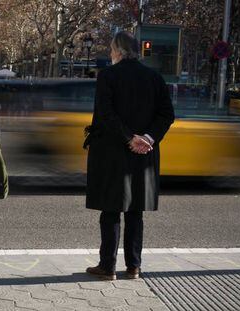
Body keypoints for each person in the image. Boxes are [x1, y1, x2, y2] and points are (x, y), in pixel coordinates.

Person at [85, 31, 174, 280]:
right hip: (143, 154)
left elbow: (106, 113)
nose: (110, 54)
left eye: (112, 50)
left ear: (118, 51)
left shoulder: (108, 76)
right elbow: (167, 114)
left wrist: (128, 137)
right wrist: (147, 138)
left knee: (111, 211)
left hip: (113, 153)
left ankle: (107, 266)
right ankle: (134, 266)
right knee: (135, 212)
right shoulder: (154, 78)